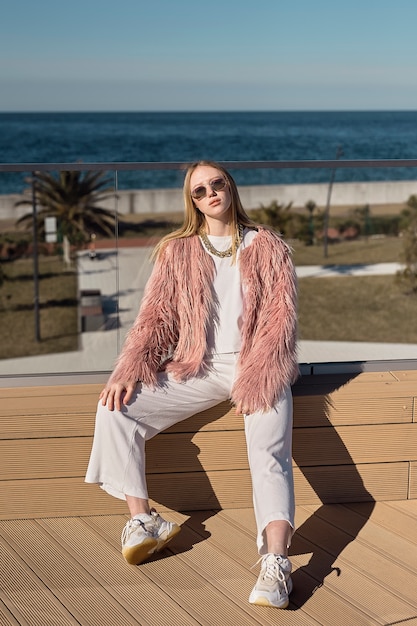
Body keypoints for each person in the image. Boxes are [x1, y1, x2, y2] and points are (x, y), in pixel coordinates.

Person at [85, 160, 298, 610]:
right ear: (193, 201)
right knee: (115, 409)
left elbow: (280, 324)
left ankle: (277, 564)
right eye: (199, 191)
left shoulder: (268, 245)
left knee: (268, 454)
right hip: (198, 366)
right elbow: (156, 318)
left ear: (230, 187)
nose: (210, 194)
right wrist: (130, 367)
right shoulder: (178, 250)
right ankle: (143, 522)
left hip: (258, 364)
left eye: (217, 184)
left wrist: (260, 375)